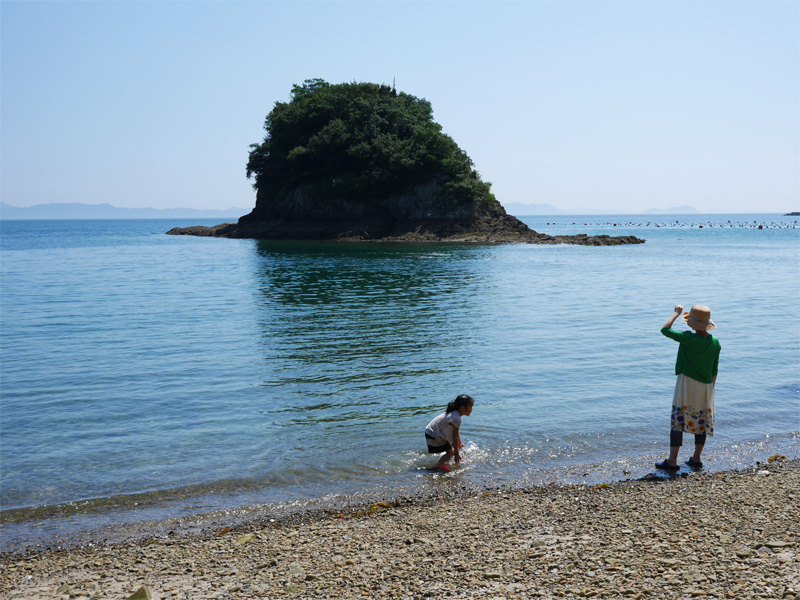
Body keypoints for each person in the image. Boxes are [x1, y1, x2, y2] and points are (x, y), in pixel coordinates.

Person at [657, 304, 721, 470]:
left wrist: (676, 314)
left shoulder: (688, 338)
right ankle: (696, 458)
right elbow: (715, 369)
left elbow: (665, 330)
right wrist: (711, 389)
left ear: (692, 323)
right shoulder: (715, 342)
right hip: (706, 386)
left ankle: (672, 460)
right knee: (701, 422)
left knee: (678, 421)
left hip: (687, 383)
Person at [424, 394, 474, 468]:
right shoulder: (456, 418)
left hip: (431, 431)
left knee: (452, 448)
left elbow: (456, 431)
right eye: (471, 407)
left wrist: (459, 443)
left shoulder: (456, 414)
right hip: (433, 433)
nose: (472, 409)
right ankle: (438, 465)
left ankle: (456, 460)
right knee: (451, 451)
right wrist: (456, 454)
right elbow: (454, 436)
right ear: (463, 408)